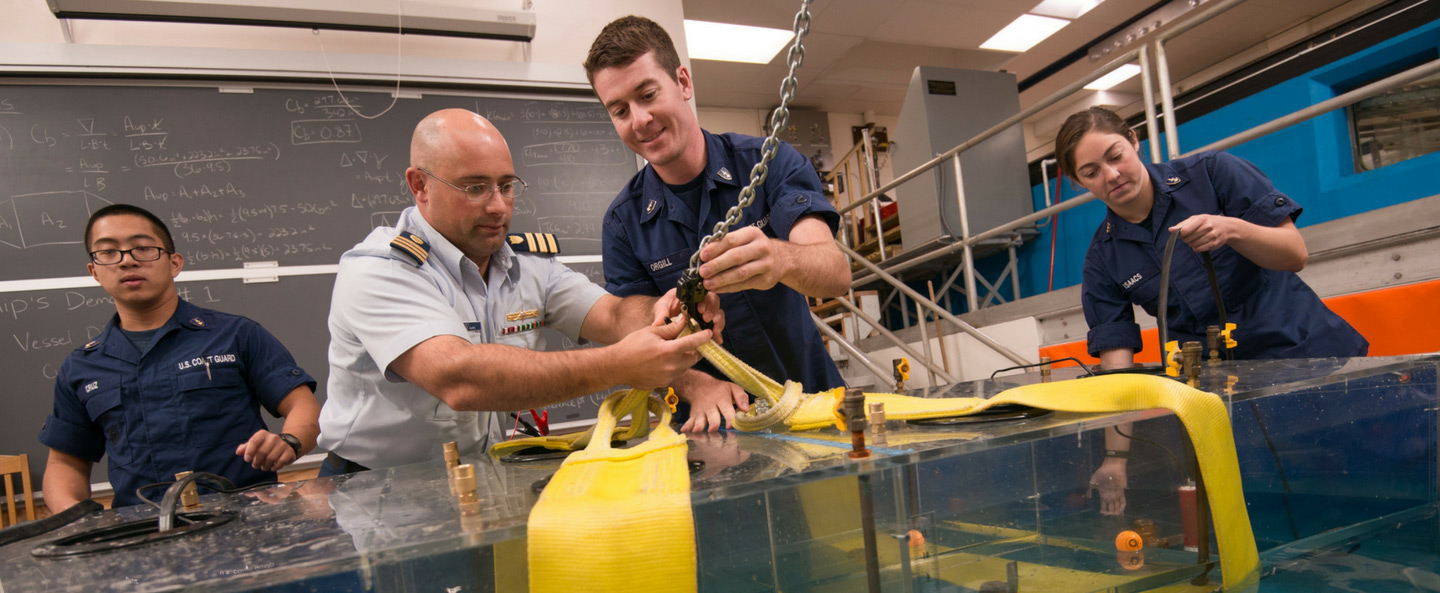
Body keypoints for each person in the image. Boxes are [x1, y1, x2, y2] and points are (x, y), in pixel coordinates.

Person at [318, 109, 718, 475]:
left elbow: (612, 316)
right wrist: (618, 364)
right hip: (377, 489)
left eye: (506, 186)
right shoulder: (380, 268)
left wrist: (665, 311)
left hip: (484, 472)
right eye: (475, 188)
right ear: (419, 185)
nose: (498, 207)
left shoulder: (526, 264)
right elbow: (459, 378)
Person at [1056, 106, 1368, 514]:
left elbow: (1295, 253)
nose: (1111, 175)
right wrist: (1116, 459)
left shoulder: (1212, 173)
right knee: (1277, 516)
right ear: (1077, 182)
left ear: (1134, 141)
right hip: (1230, 406)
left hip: (1312, 363)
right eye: (1092, 171)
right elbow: (1117, 367)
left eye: (1115, 156)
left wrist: (1232, 229)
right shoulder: (1103, 258)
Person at [585, 16, 851, 432]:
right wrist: (693, 384)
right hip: (713, 433)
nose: (639, 119)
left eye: (648, 94)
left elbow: (834, 273)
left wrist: (780, 259)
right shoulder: (623, 224)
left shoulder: (770, 163)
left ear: (684, 83)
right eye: (620, 110)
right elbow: (630, 327)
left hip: (813, 409)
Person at [39, 204, 320, 511]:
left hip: (248, 521)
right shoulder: (82, 367)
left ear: (174, 263)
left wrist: (289, 443)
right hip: (143, 534)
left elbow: (302, 406)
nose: (127, 261)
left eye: (142, 248)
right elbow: (66, 464)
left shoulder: (236, 335)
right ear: (94, 271)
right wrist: (77, 519)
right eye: (108, 252)